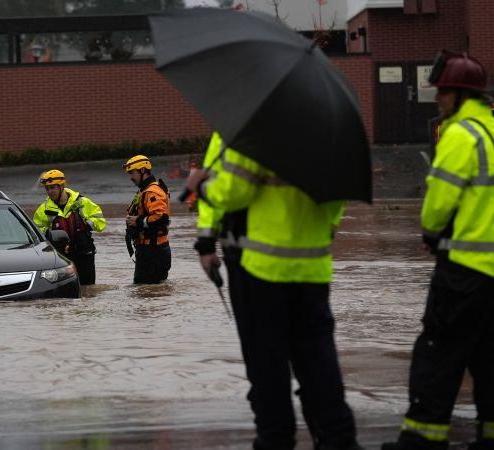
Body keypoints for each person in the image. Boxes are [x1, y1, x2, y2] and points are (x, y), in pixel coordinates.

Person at [187, 133, 361, 450]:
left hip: (261, 267)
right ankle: (338, 438)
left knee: (267, 364)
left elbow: (234, 192)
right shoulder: (328, 130)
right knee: (318, 360)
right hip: (312, 265)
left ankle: (275, 440)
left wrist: (201, 185)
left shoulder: (251, 126)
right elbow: (338, 193)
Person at [382, 52, 494, 450]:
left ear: (460, 95)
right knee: (487, 356)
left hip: (465, 268)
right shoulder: (492, 131)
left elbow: (439, 204)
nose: (437, 100)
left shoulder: (460, 134)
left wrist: (430, 232)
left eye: (443, 92)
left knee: (438, 351)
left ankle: (422, 437)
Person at [33, 169, 106, 285]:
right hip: (62, 258)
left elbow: (101, 222)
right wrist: (48, 233)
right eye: (47, 189)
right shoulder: (43, 209)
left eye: (53, 188)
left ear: (62, 186)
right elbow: (36, 231)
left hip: (84, 253)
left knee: (88, 290)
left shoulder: (82, 202)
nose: (50, 191)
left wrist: (87, 225)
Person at [123, 155, 171, 284]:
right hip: (148, 250)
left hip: (153, 251)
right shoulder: (144, 191)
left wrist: (137, 221)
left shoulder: (152, 192)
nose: (131, 177)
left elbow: (161, 218)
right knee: (146, 293)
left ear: (143, 170)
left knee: (146, 292)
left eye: (132, 173)